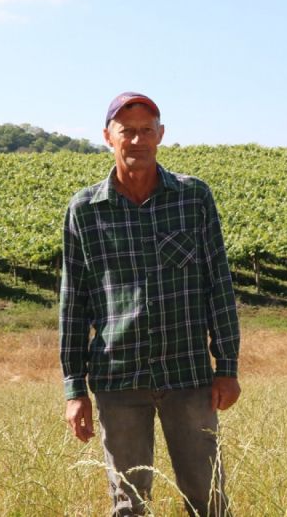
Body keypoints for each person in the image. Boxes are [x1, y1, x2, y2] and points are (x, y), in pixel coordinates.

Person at [60, 92, 240, 516]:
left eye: (146, 131)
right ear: (108, 137)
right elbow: (74, 303)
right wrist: (74, 388)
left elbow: (218, 283)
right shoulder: (85, 210)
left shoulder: (193, 198)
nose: (137, 140)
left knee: (208, 499)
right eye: (127, 131)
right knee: (129, 504)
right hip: (118, 379)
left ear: (161, 135)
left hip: (189, 375)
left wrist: (227, 366)